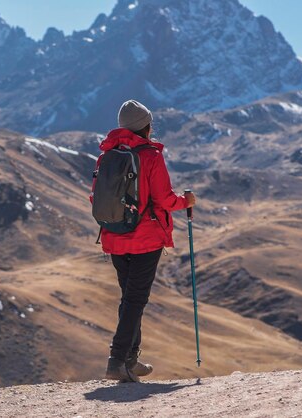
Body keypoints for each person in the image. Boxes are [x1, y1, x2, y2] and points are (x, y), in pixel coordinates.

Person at [91, 99, 196, 382]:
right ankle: (116, 360)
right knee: (135, 299)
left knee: (129, 298)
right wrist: (186, 201)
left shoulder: (107, 155)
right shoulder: (150, 155)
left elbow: (96, 197)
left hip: (114, 235)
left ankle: (131, 360)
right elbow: (163, 199)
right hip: (145, 238)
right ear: (146, 127)